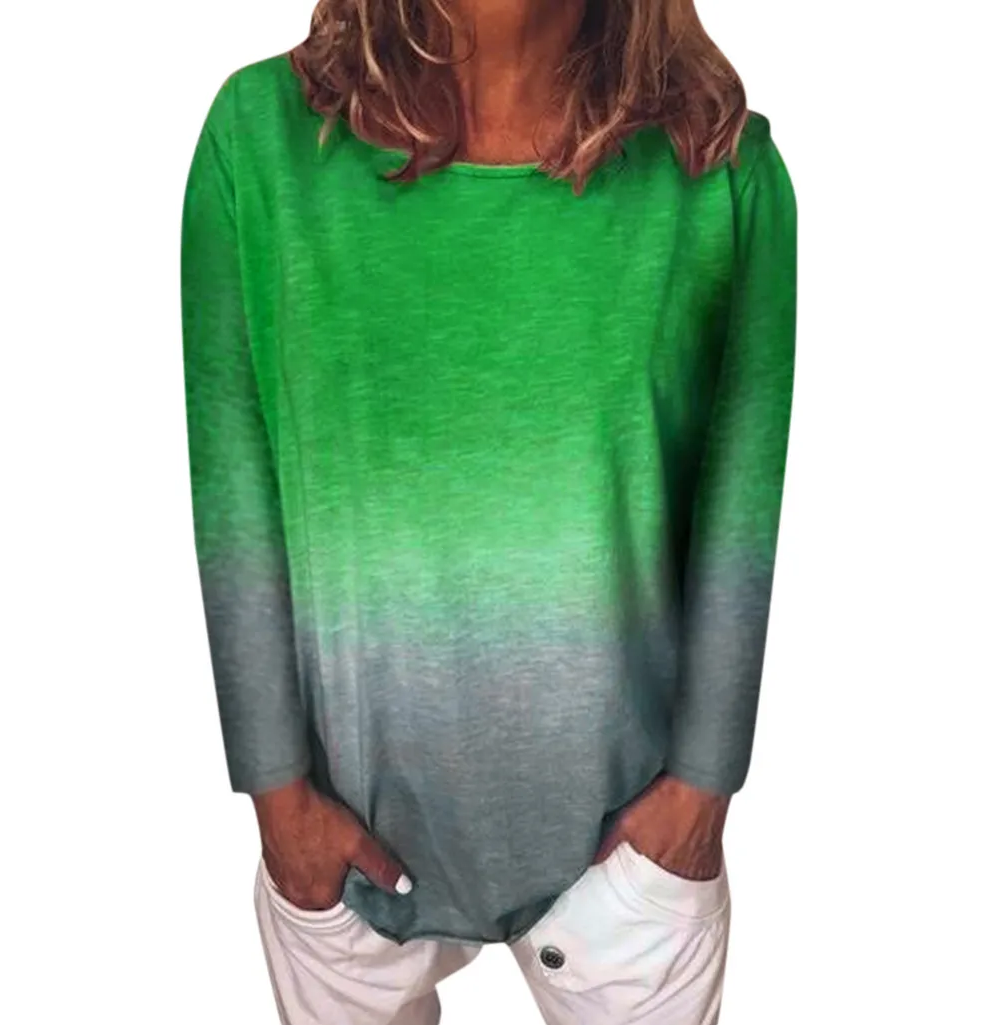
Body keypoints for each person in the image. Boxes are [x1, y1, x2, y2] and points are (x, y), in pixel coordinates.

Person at [179, 0, 796, 1022]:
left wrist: (702, 789)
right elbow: (232, 490)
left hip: (633, 860)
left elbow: (741, 511)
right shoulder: (261, 138)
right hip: (340, 846)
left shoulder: (716, 166)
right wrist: (276, 794)